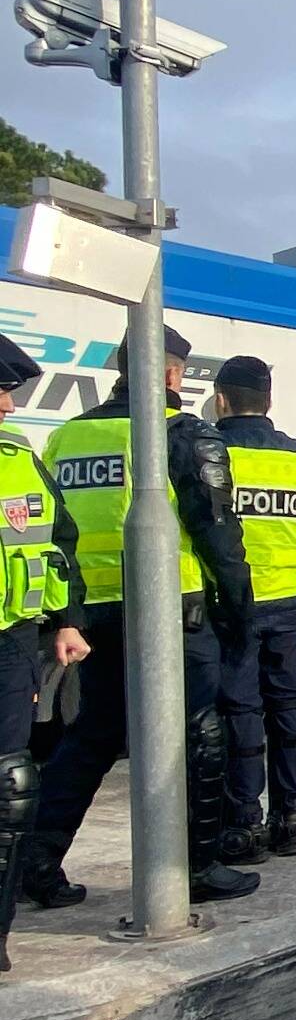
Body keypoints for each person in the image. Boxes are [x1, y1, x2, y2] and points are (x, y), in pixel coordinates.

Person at [22, 326, 261, 906]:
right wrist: (239, 611)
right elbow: (218, 534)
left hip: (90, 610)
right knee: (199, 733)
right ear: (173, 373)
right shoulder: (183, 434)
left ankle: (35, 862)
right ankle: (197, 868)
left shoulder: (67, 439)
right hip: (171, 608)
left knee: (94, 734)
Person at [212, 356, 296, 860]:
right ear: (268, 402)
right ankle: (291, 819)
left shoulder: (210, 451)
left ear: (221, 399)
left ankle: (244, 825)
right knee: (289, 709)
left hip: (233, 607)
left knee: (241, 711)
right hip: (295, 604)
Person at [0, 337, 90, 971]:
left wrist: (66, 620)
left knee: (10, 783)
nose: (8, 404)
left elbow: (59, 540)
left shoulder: (18, 458)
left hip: (10, 645)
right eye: (1, 390)